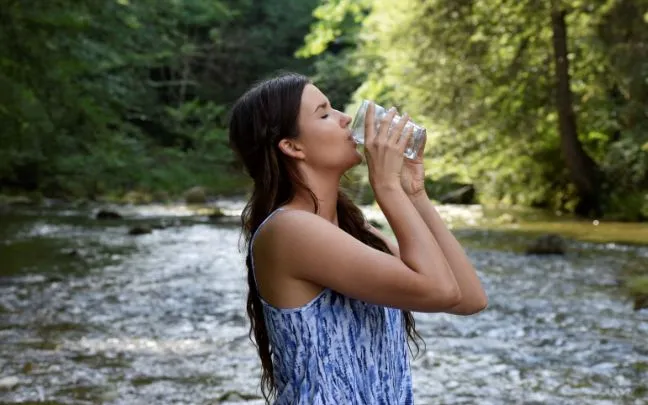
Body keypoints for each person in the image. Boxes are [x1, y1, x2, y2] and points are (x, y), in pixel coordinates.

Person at [228, 73, 487, 404]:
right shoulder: (289, 230)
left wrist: (414, 193)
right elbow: (439, 290)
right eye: (324, 114)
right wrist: (387, 187)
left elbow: (468, 298)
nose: (345, 118)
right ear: (292, 147)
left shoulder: (355, 232)